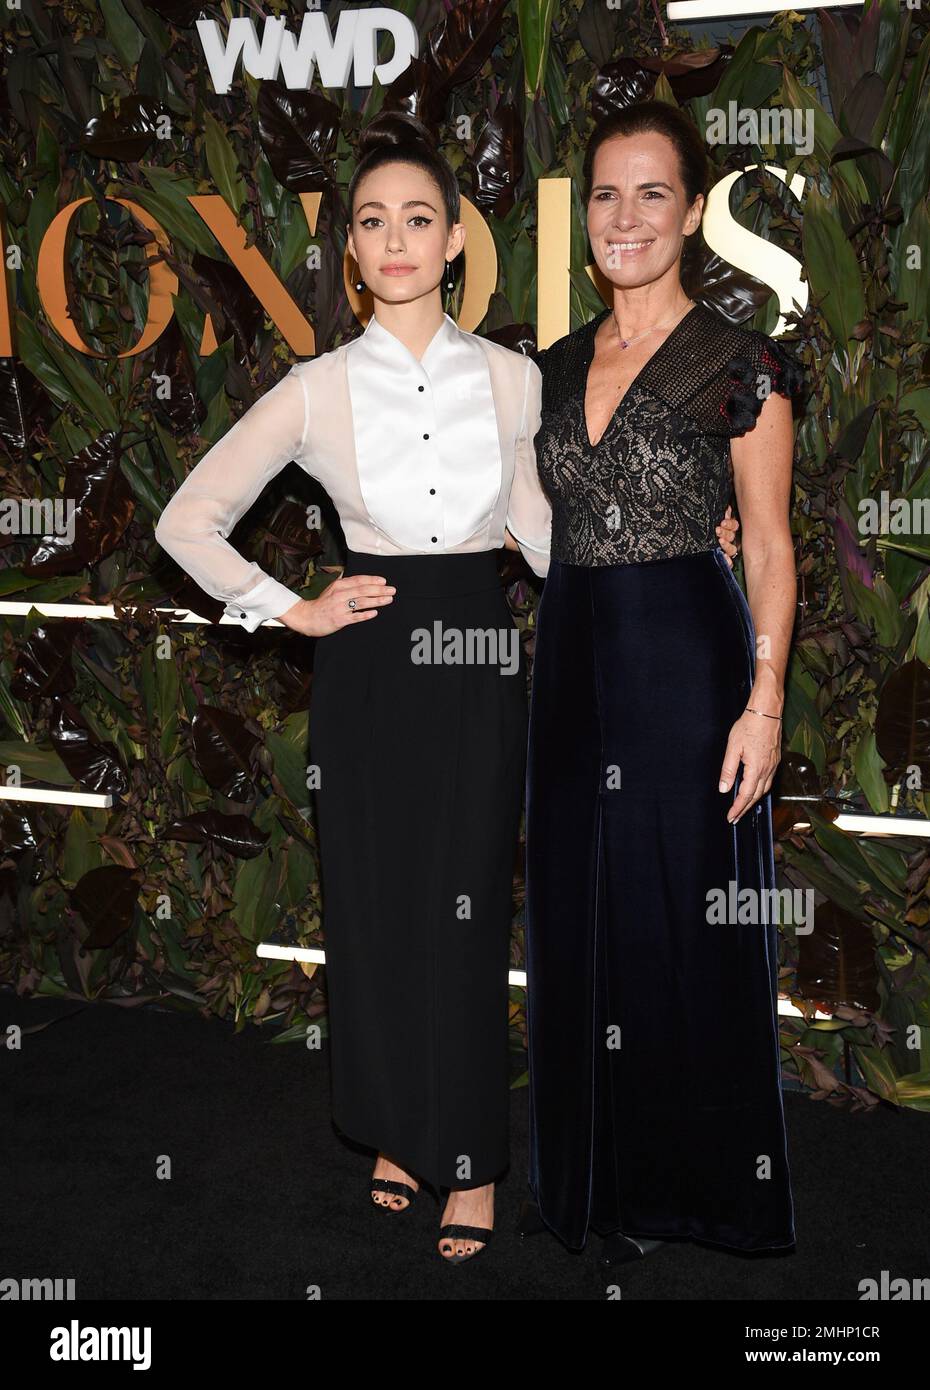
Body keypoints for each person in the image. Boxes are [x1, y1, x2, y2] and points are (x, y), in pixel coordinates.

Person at [155, 110, 740, 1265]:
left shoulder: (517, 381)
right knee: (375, 916)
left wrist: (683, 547)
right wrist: (293, 606)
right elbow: (188, 519)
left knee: (468, 913)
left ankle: (468, 1158)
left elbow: (542, 531)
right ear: (354, 253)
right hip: (368, 666)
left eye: (418, 217)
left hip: (477, 657)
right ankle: (393, 1130)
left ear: (454, 240)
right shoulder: (315, 389)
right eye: (372, 223)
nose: (396, 239)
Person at [520, 100, 805, 1266]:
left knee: (681, 917)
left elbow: (774, 544)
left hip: (689, 659)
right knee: (582, 918)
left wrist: (765, 698)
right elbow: (530, 521)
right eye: (604, 193)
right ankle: (602, 1185)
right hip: (573, 649)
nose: (624, 216)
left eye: (651, 193)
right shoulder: (549, 367)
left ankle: (703, 1191)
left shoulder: (743, 362)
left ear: (692, 212)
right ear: (582, 213)